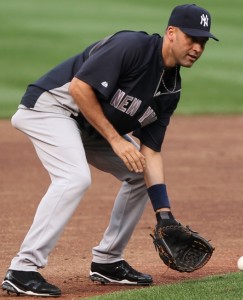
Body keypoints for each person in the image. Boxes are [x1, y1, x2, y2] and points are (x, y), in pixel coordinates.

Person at [2, 4, 218, 297]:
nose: (197, 47)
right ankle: (22, 269)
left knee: (139, 171)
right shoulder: (133, 46)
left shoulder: (170, 89)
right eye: (191, 38)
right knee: (75, 178)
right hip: (51, 108)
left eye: (202, 42)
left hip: (88, 125)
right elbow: (79, 88)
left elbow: (151, 151)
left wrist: (163, 213)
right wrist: (116, 140)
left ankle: (107, 261)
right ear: (171, 33)